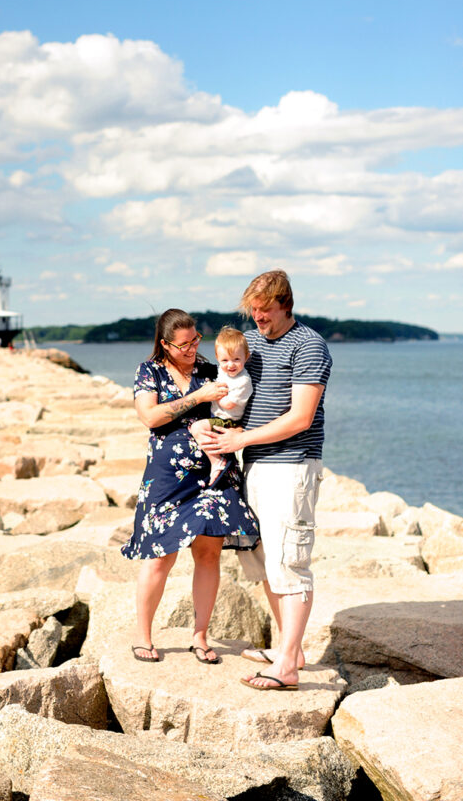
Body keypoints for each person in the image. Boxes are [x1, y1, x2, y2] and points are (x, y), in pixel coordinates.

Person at [194, 271, 332, 691]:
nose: (258, 318)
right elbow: (229, 387)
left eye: (266, 310)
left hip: (292, 466)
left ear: (286, 304)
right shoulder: (252, 346)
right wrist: (204, 426)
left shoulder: (310, 346)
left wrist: (241, 439)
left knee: (290, 563)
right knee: (268, 563)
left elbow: (301, 417)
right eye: (253, 310)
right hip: (255, 465)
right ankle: (292, 652)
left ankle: (287, 667)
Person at [121, 308, 260, 664]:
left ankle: (200, 637)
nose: (192, 348)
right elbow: (150, 417)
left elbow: (236, 408)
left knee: (209, 554)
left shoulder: (208, 368)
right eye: (184, 344)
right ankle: (143, 636)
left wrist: (240, 433)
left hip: (214, 474)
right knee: (160, 557)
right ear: (166, 345)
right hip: (168, 477)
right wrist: (197, 399)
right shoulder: (149, 371)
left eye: (196, 339)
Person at [206, 326, 253, 487]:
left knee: (197, 428)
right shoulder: (222, 371)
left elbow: (228, 403)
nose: (230, 365)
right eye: (225, 360)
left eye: (236, 359)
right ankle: (222, 459)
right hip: (217, 417)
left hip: (229, 420)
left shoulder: (243, 381)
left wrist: (213, 392)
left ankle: (216, 462)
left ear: (246, 357)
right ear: (217, 358)